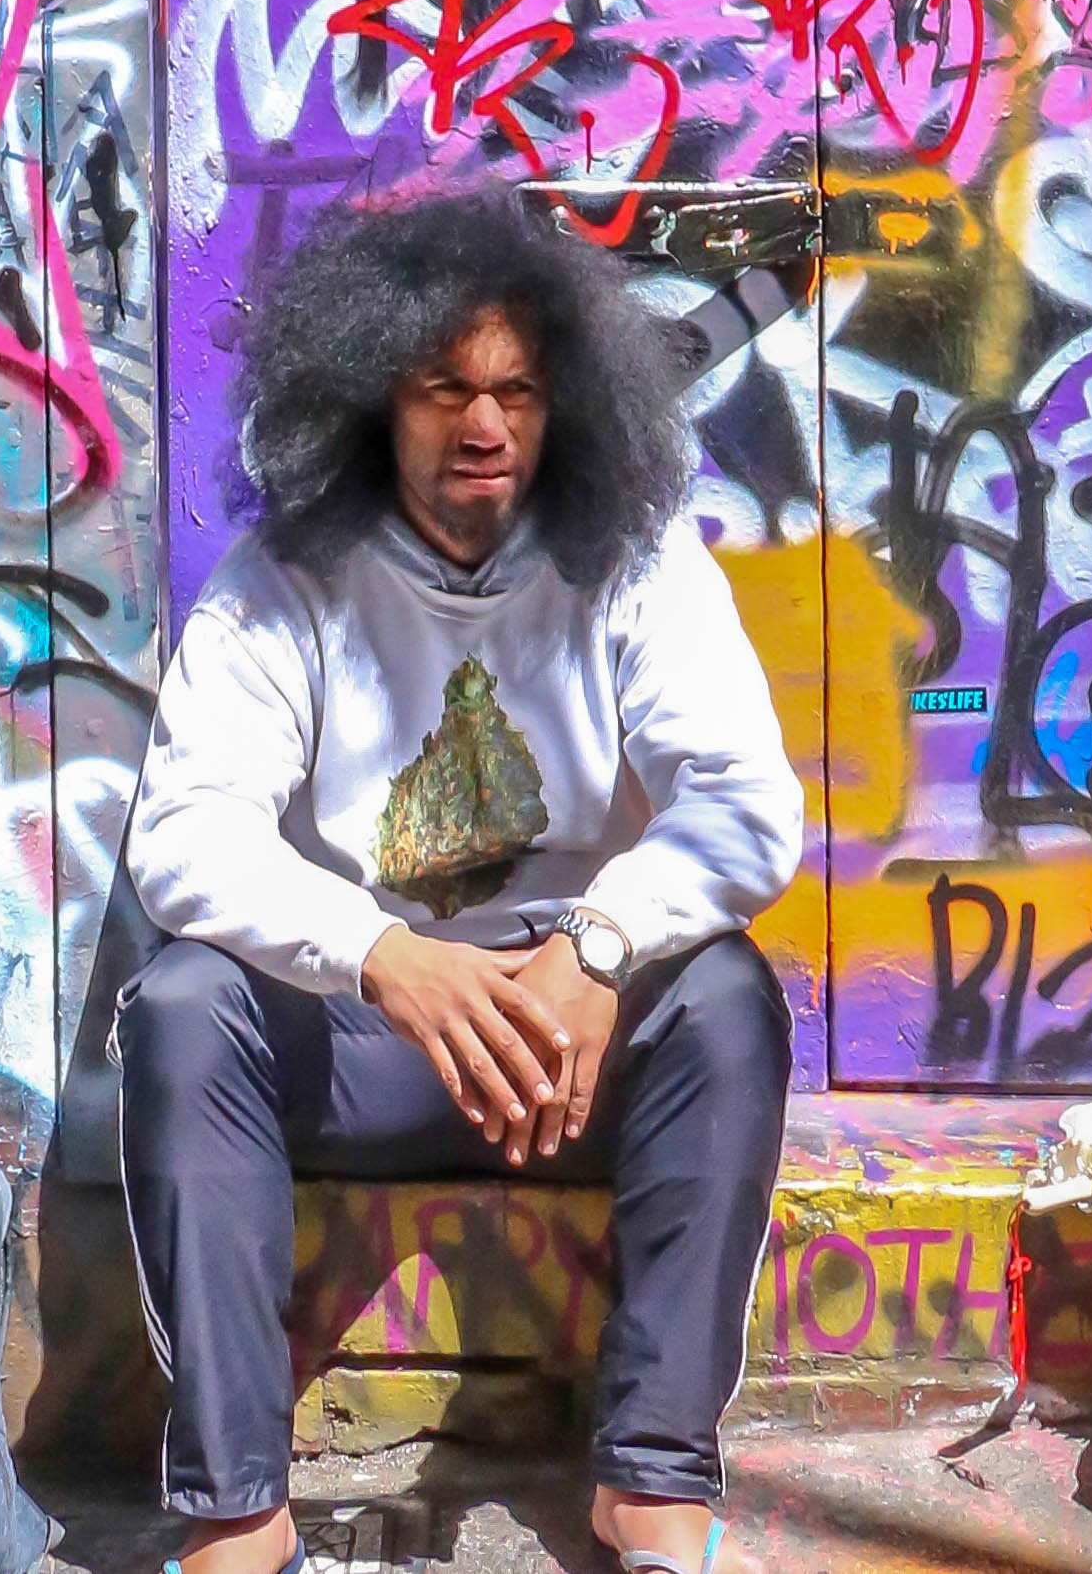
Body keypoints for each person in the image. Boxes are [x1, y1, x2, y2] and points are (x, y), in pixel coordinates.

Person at [117, 185, 799, 1574]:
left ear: (565, 403)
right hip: (370, 1035)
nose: (483, 425)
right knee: (181, 1009)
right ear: (374, 399)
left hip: (566, 1036)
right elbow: (183, 832)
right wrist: (380, 954)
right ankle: (237, 1511)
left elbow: (746, 807)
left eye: (517, 391)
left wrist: (600, 946)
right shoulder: (281, 579)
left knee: (726, 1001)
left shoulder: (641, 566)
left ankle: (652, 1484)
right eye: (443, 389)